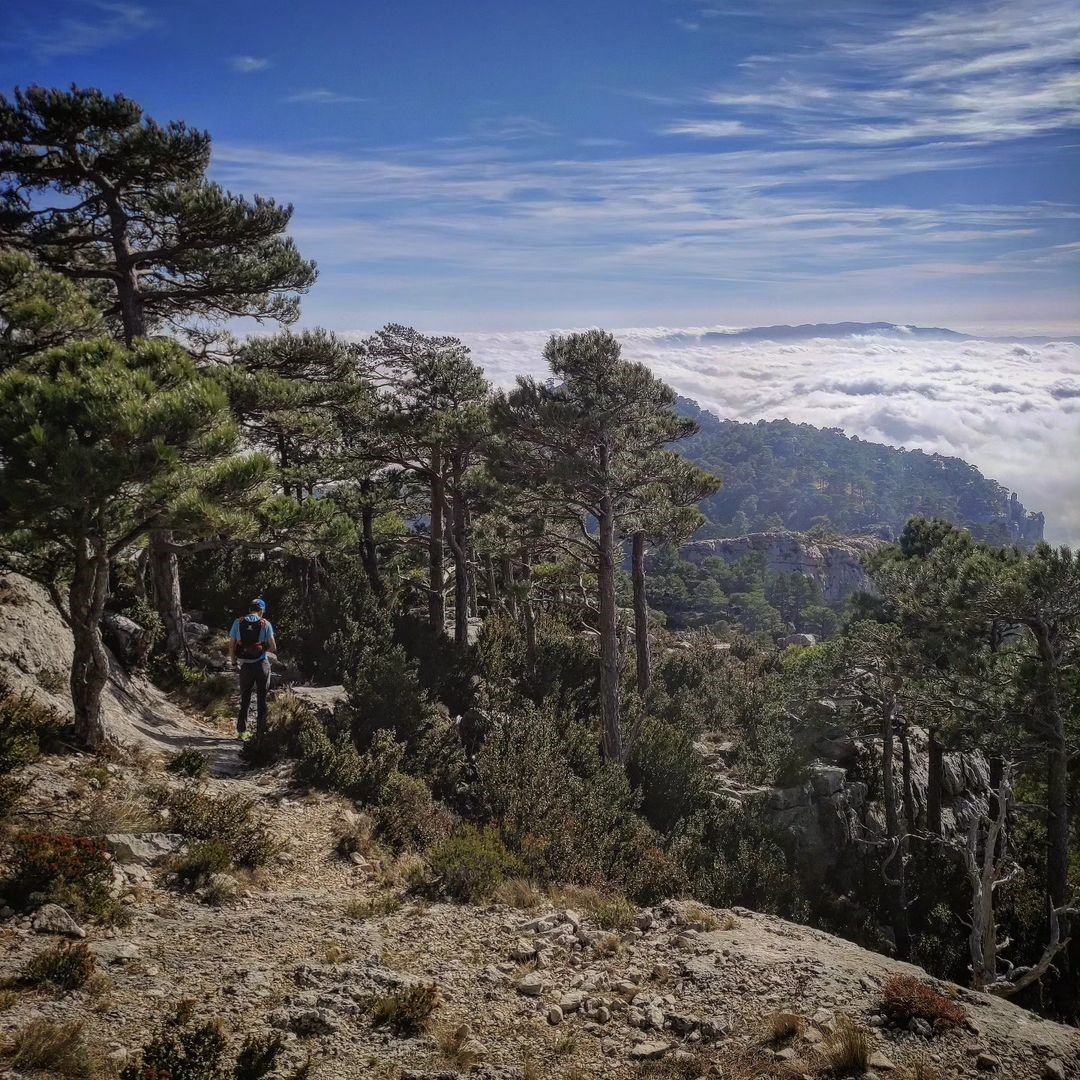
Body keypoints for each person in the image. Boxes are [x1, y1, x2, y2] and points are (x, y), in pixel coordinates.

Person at [228, 598, 277, 738]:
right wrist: (263, 650)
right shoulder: (265, 623)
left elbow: (231, 645)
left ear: (250, 609)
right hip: (261, 664)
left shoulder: (238, 622)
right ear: (262, 610)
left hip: (245, 665)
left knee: (245, 698)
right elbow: (273, 646)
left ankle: (241, 731)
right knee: (262, 698)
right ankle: (260, 733)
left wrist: (234, 663)